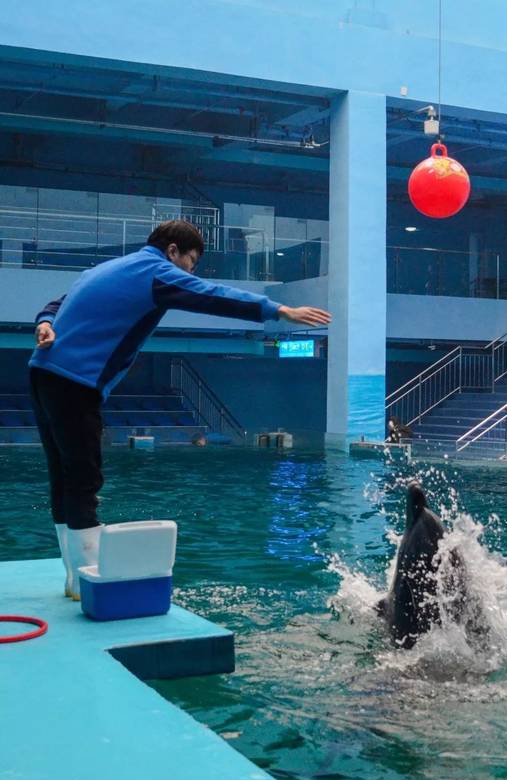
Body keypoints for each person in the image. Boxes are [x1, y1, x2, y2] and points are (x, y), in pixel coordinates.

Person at [29, 220, 331, 599]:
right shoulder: (156, 272)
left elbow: (56, 303)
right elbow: (212, 295)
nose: (191, 270)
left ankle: (74, 577)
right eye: (191, 260)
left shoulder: (106, 268)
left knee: (64, 477)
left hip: (43, 372)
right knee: (84, 480)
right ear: (172, 251)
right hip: (75, 381)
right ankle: (85, 579)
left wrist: (44, 323)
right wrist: (279, 310)